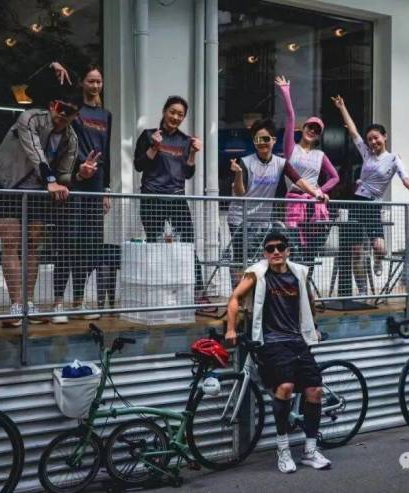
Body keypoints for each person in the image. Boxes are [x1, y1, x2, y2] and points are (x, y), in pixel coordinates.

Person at [225, 232, 331, 473]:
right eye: (270, 248)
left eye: (280, 247)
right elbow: (235, 297)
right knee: (284, 388)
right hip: (271, 342)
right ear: (265, 253)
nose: (275, 252)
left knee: (315, 391)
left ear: (287, 251)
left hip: (297, 340)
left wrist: (313, 326)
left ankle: (310, 451)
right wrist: (231, 328)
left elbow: (309, 301)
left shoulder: (298, 273)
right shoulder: (257, 274)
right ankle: (283, 450)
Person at [0, 90, 81, 327]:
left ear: (76, 115)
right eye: (60, 107)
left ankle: (28, 304)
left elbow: (65, 174)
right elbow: (35, 152)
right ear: (52, 104)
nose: (63, 114)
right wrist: (51, 180)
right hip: (8, 183)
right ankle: (16, 304)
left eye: (70, 111)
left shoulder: (71, 138)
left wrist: (81, 174)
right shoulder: (30, 118)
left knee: (32, 245)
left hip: (38, 190)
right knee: (11, 242)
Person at [331, 94, 409, 293]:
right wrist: (342, 107)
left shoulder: (394, 159)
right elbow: (353, 132)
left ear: (384, 137)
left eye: (376, 138)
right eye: (370, 139)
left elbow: (406, 181)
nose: (372, 142)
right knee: (356, 251)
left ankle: (378, 261)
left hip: (373, 206)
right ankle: (362, 291)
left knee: (380, 248)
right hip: (357, 202)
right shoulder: (366, 154)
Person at [49, 62, 114, 323]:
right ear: (82, 83)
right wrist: (55, 69)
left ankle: (79, 301)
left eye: (99, 81)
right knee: (68, 242)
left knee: (90, 245)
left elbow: (107, 153)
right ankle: (57, 304)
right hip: (73, 181)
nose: (95, 85)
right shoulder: (74, 109)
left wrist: (106, 189)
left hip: (95, 186)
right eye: (91, 81)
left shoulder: (106, 115)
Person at [226, 118, 326, 285]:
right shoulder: (245, 162)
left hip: (262, 219)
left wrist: (316, 193)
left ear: (273, 140)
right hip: (239, 217)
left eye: (266, 139)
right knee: (241, 257)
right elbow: (239, 192)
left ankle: (257, 293)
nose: (262, 143)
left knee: (262, 257)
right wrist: (238, 174)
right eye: (258, 139)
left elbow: (299, 181)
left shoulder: (280, 163)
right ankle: (239, 295)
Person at [134, 95, 211, 308]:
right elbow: (138, 166)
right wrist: (154, 148)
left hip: (176, 198)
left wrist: (193, 153)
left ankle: (198, 292)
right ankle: (156, 294)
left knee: (188, 245)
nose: (176, 117)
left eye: (180, 114)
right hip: (152, 198)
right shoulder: (148, 135)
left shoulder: (185, 141)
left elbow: (188, 173)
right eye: (173, 112)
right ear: (164, 111)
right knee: (155, 245)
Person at [275, 75, 339, 265]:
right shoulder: (291, 149)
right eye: (310, 127)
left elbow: (334, 177)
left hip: (314, 206)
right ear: (303, 128)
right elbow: (290, 118)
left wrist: (319, 191)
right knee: (294, 250)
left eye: (317, 130)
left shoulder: (320, 155)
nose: (312, 131)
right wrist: (286, 92)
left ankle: (307, 283)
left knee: (310, 253)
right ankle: (297, 282)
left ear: (318, 136)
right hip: (294, 202)